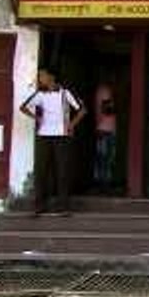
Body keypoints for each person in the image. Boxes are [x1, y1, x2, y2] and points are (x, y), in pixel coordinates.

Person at [19, 66, 86, 215]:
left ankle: (63, 207)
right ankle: (39, 206)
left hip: (62, 135)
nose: (40, 79)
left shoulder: (65, 93)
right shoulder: (40, 94)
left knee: (62, 171)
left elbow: (82, 110)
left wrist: (71, 124)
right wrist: (37, 118)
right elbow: (23, 107)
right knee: (41, 170)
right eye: (39, 76)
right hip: (44, 135)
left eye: (42, 76)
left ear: (51, 77)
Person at [94, 79, 117, 191]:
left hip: (103, 128)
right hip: (105, 129)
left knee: (103, 157)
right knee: (106, 157)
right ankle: (104, 183)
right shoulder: (105, 91)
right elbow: (107, 109)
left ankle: (102, 182)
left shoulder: (102, 90)